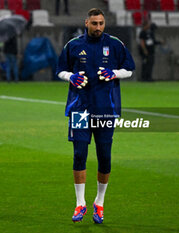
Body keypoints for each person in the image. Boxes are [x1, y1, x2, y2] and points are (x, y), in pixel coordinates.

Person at [56, 8, 135, 224]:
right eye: (94, 23)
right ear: (86, 23)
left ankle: (99, 203)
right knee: (79, 154)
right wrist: (71, 76)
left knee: (104, 156)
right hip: (79, 108)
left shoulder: (115, 44)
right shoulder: (73, 45)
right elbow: (60, 70)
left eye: (101, 23)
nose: (98, 27)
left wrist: (115, 73)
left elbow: (129, 68)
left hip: (105, 109)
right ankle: (80, 203)